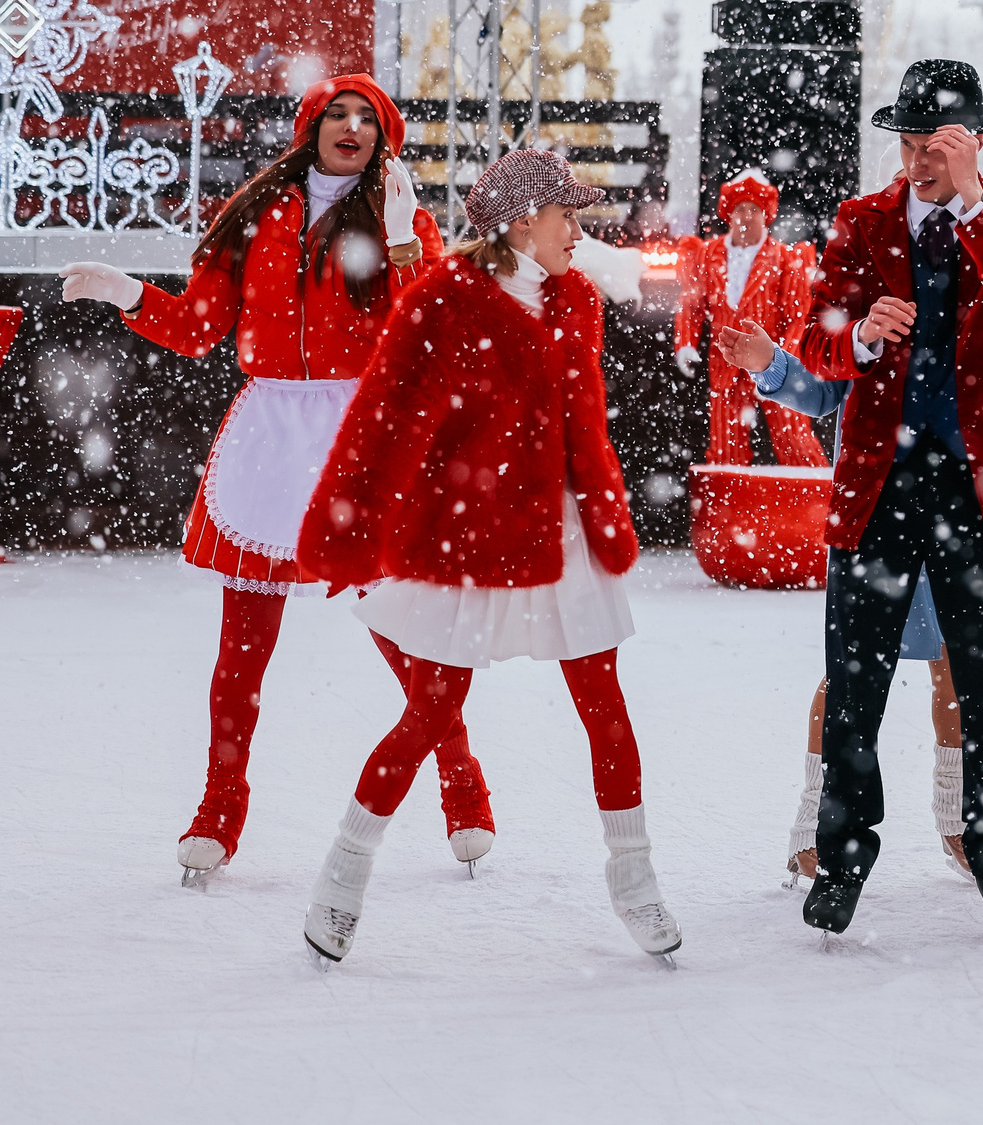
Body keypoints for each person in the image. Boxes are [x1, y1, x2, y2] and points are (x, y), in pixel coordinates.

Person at [57, 76, 489, 885]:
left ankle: (462, 781)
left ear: (383, 139)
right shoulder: (258, 214)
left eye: (368, 118)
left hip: (360, 437)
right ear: (312, 128)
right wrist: (128, 293)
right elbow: (196, 328)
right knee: (241, 650)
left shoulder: (404, 220)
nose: (352, 127)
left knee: (402, 635)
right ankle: (220, 808)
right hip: (271, 432)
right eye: (338, 114)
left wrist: (401, 241)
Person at [295, 149, 678, 965]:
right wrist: (349, 524)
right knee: (432, 708)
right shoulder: (443, 297)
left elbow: (588, 424)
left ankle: (635, 877)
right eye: (564, 216)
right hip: (468, 530)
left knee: (603, 700)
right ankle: (345, 869)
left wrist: (606, 515)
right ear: (519, 222)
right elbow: (383, 415)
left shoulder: (577, 301)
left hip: (560, 528)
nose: (577, 231)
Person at [796, 59, 983, 936]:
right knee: (857, 682)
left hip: (979, 485)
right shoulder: (861, 222)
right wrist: (859, 334)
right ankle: (840, 864)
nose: (919, 162)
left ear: (976, 143)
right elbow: (817, 337)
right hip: (880, 485)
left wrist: (975, 203)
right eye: (909, 144)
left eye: (937, 146)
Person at [721, 315, 983, 882]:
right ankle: (815, 823)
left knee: (965, 667)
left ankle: (961, 821)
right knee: (851, 673)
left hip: (974, 507)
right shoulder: (863, 287)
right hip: (882, 506)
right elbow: (823, 392)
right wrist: (769, 363)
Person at [675, 168, 825, 467]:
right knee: (724, 448)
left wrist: (780, 359)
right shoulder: (706, 254)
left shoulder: (784, 258)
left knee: (794, 437)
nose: (746, 216)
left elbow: (797, 317)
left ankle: (815, 503)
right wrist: (685, 343)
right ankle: (727, 509)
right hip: (726, 363)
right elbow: (691, 304)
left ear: (765, 214)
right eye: (740, 209)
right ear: (729, 214)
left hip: (775, 362)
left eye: (754, 209)